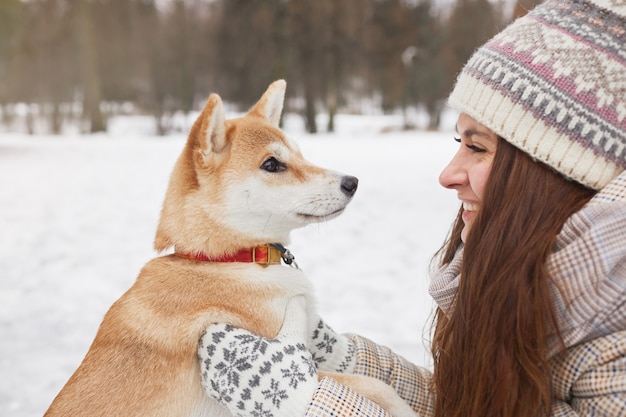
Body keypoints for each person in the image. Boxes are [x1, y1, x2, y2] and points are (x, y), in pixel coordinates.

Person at [198, 0, 626, 416]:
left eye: (477, 147)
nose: (448, 174)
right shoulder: (533, 281)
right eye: (459, 142)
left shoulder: (616, 345)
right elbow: (472, 406)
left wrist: (307, 405)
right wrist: (336, 356)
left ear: (558, 172)